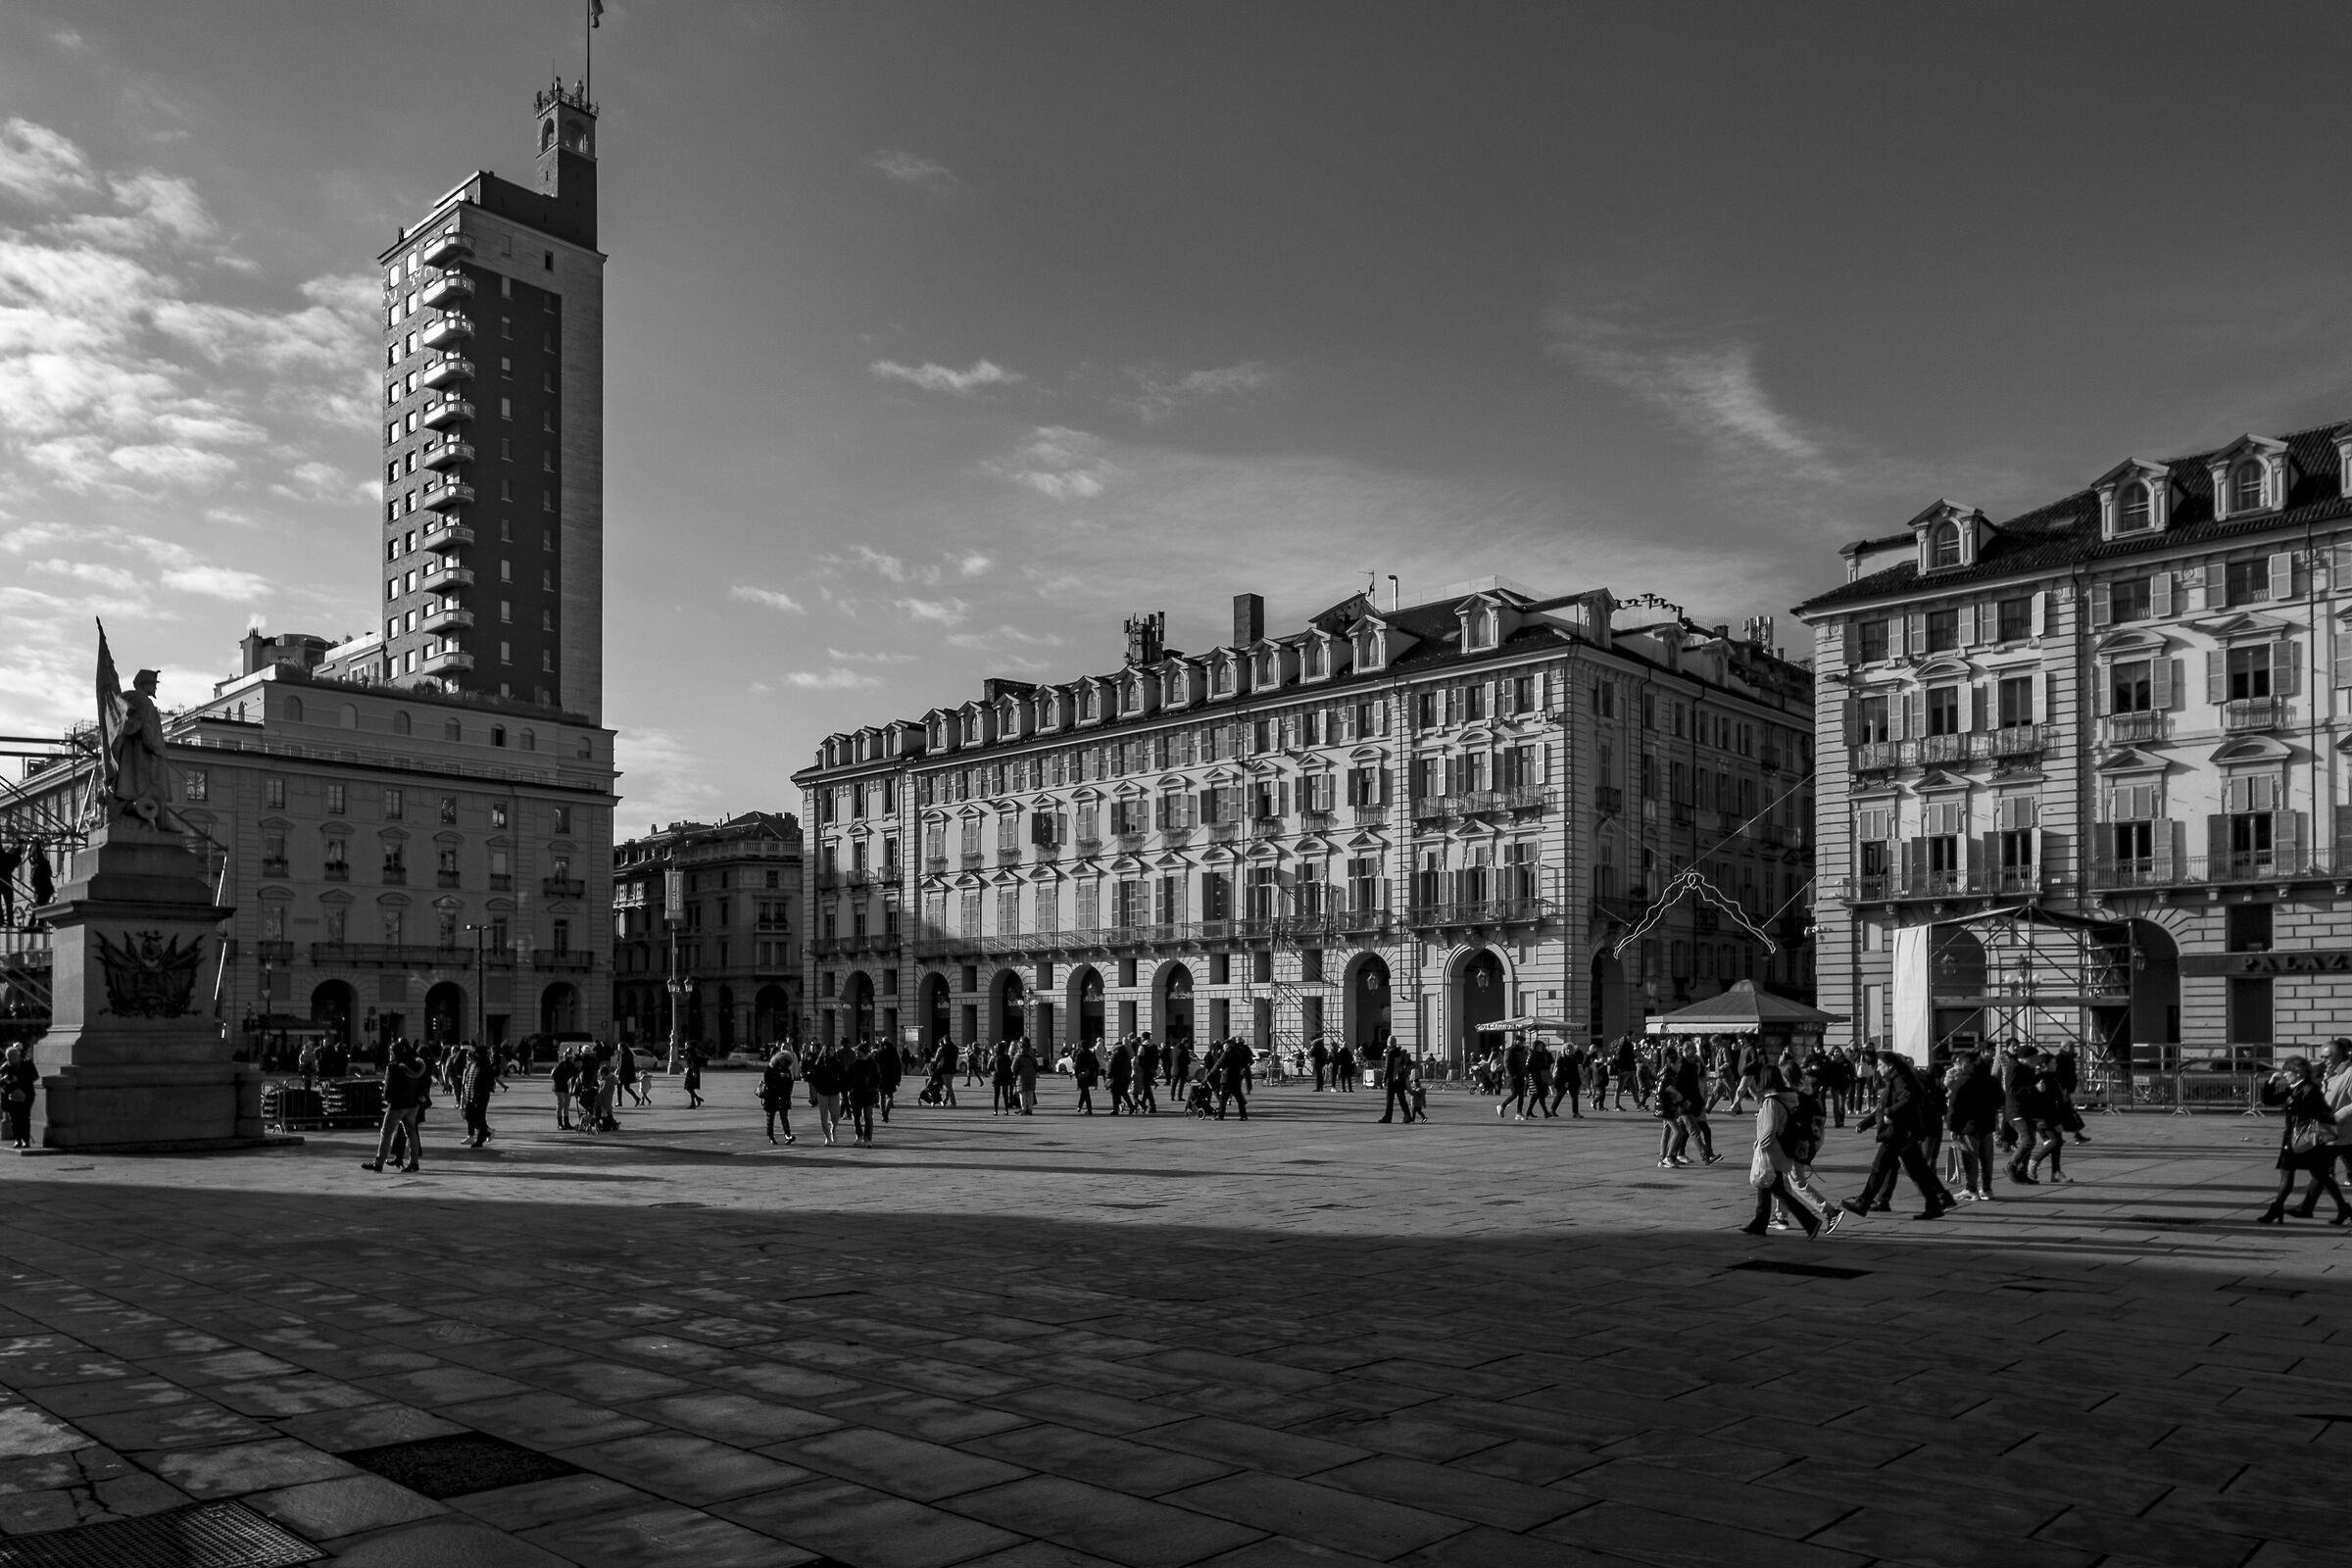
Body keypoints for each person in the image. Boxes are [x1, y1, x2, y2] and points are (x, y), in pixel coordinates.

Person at [1844, 1051, 1952, 1221]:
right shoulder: (1896, 1079)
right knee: (1917, 1170)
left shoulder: (1900, 1079)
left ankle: (1863, 1202)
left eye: (1880, 1065)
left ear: (1890, 1065)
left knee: (1879, 1167)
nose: (1878, 1069)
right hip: (1904, 1132)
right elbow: (1883, 1107)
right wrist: (1865, 1124)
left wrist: (1890, 1113)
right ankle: (1935, 1204)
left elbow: (1908, 1099)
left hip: (1899, 1132)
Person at [2258, 1056, 2350, 1224]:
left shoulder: (2309, 1089)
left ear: (2298, 1073)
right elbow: (2269, 1100)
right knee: (2313, 1174)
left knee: (2314, 1175)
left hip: (2306, 1140)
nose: (2285, 1075)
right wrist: (2270, 1083)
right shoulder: (2294, 1088)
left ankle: (2276, 1210)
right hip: (2298, 1138)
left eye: (2288, 1072)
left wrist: (2292, 1101)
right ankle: (2344, 1209)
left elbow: (2306, 1110)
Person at [1741, 1068, 1826, 1238]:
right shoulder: (1788, 1098)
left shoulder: (1771, 1102)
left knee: (1776, 1189)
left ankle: (1810, 1221)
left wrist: (1759, 1146)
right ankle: (1759, 1222)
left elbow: (1768, 1131)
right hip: (1782, 1150)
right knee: (1765, 1185)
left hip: (1771, 1152)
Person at [1945, 1049, 2005, 1201]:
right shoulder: (1990, 1079)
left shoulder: (1964, 1080)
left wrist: (1952, 1127)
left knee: (1970, 1158)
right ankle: (1987, 1188)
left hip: (1968, 1126)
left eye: (1961, 1062)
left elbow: (1954, 1105)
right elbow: (2000, 1099)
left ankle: (1971, 1189)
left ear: (1966, 1063)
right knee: (1987, 1159)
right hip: (1987, 1124)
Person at [363, 1042, 429, 1172]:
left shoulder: (393, 1066)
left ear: (394, 1052)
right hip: (413, 1105)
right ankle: (414, 1163)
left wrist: (388, 1100)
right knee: (411, 1133)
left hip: (398, 1105)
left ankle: (379, 1163)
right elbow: (424, 1082)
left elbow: (388, 1089)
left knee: (386, 1133)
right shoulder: (417, 1064)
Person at [458, 1042, 496, 1149]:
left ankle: (481, 1139)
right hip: (471, 1095)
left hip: (480, 1096)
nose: (475, 1054)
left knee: (479, 1117)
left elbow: (486, 1082)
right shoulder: (475, 1064)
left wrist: (478, 1095)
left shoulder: (485, 1065)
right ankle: (486, 1131)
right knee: (469, 1115)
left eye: (477, 1052)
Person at [760, 1045, 799, 1145]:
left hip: (783, 1096)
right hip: (771, 1096)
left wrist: (786, 1080)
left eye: (784, 1060)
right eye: (781, 1059)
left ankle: (788, 1135)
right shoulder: (771, 1068)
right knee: (770, 1117)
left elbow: (789, 1083)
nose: (783, 1062)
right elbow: (767, 1080)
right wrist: (779, 1077)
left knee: (784, 1117)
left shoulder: (786, 1069)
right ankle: (771, 1136)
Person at [1, 1043, 36, 1150]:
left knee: (24, 1117)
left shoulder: (27, 1064)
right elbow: (1, 1083)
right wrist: (3, 1080)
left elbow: (34, 1077)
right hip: (12, 1096)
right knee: (15, 1119)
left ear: (18, 1056)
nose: (11, 1061)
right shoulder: (5, 1067)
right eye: (9, 1059)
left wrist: (19, 1080)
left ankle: (25, 1140)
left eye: (13, 1059)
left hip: (26, 1094)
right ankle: (17, 1139)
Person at [845, 1043, 881, 1148]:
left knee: (868, 1116)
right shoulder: (854, 1064)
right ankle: (859, 1135)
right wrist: (850, 1089)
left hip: (868, 1094)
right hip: (856, 1094)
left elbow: (878, 1078)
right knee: (856, 1117)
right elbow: (848, 1078)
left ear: (863, 1052)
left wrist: (873, 1090)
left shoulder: (873, 1064)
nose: (856, 1053)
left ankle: (868, 1138)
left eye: (858, 1051)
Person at [1378, 1040, 1417, 1124]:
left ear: (1389, 1043)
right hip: (1400, 1079)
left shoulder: (1390, 1052)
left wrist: (1384, 1080)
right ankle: (1407, 1116)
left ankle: (1387, 1117)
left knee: (1389, 1100)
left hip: (1392, 1080)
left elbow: (1388, 1067)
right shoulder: (1400, 1052)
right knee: (1402, 1099)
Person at [1071, 1039, 1101, 1114]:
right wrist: (1091, 1070)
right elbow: (1096, 1065)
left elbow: (1077, 1066)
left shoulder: (1080, 1054)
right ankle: (1079, 1106)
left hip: (1081, 1075)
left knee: (1085, 1092)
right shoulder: (1091, 1054)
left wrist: (1077, 1075)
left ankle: (1089, 1109)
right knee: (1084, 1091)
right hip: (1089, 1075)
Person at [1106, 1038, 1135, 1115]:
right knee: (1124, 1093)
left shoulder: (1115, 1056)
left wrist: (1108, 1075)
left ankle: (1115, 1109)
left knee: (1115, 1094)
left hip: (1116, 1077)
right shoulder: (1127, 1056)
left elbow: (1111, 1066)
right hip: (1126, 1077)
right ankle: (1131, 1106)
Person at [1134, 1036, 1160, 1115]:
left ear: (1143, 1038)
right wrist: (1154, 1068)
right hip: (1152, 1070)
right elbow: (1157, 1058)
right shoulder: (1154, 1046)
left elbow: (1139, 1059)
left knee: (1147, 1088)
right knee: (1147, 1087)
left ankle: (1152, 1106)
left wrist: (1139, 1066)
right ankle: (1143, 1103)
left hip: (1144, 1070)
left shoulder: (1142, 1047)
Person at [682, 1042, 705, 1109]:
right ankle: (694, 1102)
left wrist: (694, 1072)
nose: (685, 1046)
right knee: (690, 1087)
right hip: (691, 1070)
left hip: (692, 1071)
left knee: (689, 1087)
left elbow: (693, 1062)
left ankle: (695, 1101)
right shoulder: (689, 1051)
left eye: (686, 1045)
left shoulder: (691, 1052)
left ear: (690, 1045)